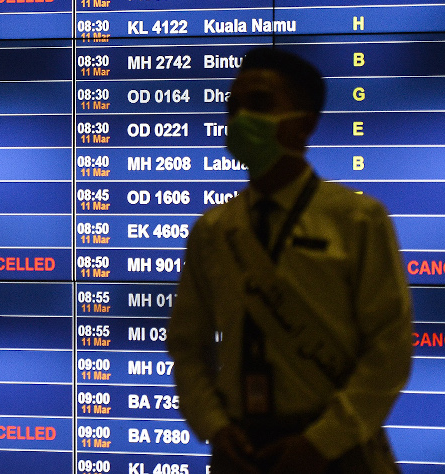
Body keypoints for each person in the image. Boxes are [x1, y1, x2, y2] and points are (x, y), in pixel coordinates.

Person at [166, 47, 412, 473]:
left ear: (305, 122)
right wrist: (215, 427)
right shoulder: (213, 230)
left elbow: (389, 349)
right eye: (233, 107)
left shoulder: (357, 219)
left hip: (333, 450)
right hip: (239, 449)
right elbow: (187, 346)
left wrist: (322, 442)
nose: (241, 119)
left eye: (260, 104)